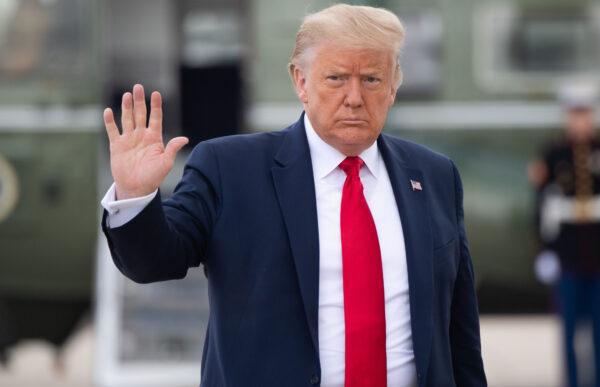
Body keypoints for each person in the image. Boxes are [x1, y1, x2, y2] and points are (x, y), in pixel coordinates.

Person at [100, 4, 486, 386]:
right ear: (300, 81)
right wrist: (136, 195)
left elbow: (460, 333)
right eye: (336, 78)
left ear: (393, 87)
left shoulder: (434, 176)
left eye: (371, 79)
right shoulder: (230, 168)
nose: (354, 97)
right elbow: (154, 262)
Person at [529, 83, 600, 387]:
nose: (579, 121)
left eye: (584, 113)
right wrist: (545, 249)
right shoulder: (553, 152)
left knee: (598, 329)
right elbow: (542, 204)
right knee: (568, 328)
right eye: (574, 114)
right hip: (567, 254)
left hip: (598, 255)